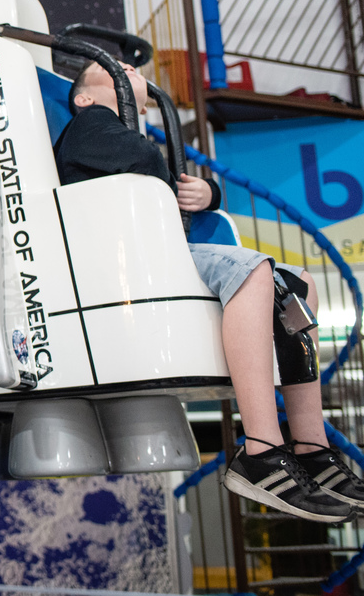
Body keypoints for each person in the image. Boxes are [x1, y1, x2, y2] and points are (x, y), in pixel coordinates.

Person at [56, 60, 364, 523]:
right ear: (84, 97)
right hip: (126, 259)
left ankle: (312, 445)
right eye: (115, 69)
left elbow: (164, 180)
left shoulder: (130, 143)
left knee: (298, 284)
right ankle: (261, 447)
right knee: (256, 268)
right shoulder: (90, 125)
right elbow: (144, 163)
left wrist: (209, 195)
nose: (129, 70)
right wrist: (166, 173)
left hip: (159, 252)